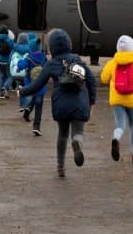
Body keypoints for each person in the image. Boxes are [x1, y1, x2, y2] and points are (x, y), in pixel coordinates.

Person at [19, 29, 96, 177]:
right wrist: (92, 101)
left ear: (52, 47)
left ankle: (60, 167)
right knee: (78, 132)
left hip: (61, 103)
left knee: (62, 134)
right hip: (79, 102)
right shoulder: (77, 60)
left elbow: (38, 84)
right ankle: (77, 143)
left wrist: (22, 91)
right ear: (69, 43)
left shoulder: (51, 63)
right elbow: (91, 80)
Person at [99, 35, 133, 164]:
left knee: (120, 125)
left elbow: (104, 79)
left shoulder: (112, 63)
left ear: (118, 47)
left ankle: (116, 138)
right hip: (132, 101)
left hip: (117, 99)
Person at [16, 36, 48, 135]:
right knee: (39, 103)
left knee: (33, 95)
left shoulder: (29, 57)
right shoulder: (44, 57)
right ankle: (36, 126)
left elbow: (21, 65)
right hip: (41, 84)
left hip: (30, 84)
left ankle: (27, 111)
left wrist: (19, 64)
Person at [9, 32, 31, 111]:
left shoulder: (14, 48)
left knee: (21, 88)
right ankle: (27, 105)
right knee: (28, 88)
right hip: (26, 73)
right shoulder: (30, 48)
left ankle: (21, 106)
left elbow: (10, 60)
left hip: (17, 73)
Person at [0, 25, 14, 100]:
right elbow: (13, 49)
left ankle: (2, 94)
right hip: (7, 61)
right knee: (10, 76)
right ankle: (5, 87)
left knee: (2, 76)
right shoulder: (9, 40)